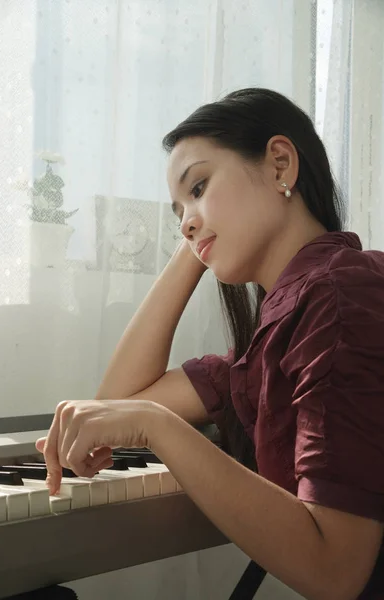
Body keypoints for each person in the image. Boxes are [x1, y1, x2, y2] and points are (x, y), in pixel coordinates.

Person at [36, 88, 384, 600]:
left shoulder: (340, 296)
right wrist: (197, 236)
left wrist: (157, 426)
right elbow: (114, 404)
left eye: (199, 185)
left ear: (280, 164)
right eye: (178, 210)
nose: (185, 221)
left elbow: (336, 571)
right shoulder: (268, 346)